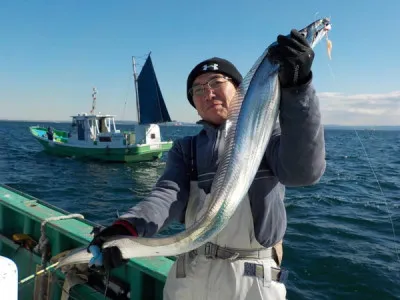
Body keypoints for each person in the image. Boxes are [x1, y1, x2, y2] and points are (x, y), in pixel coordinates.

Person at [89, 29, 326, 300]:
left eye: (216, 82)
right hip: (189, 278)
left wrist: (299, 88)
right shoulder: (186, 148)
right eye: (198, 90)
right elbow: (167, 197)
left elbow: (303, 173)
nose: (208, 93)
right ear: (194, 105)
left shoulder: (267, 139)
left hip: (252, 282)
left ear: (241, 90)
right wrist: (127, 228)